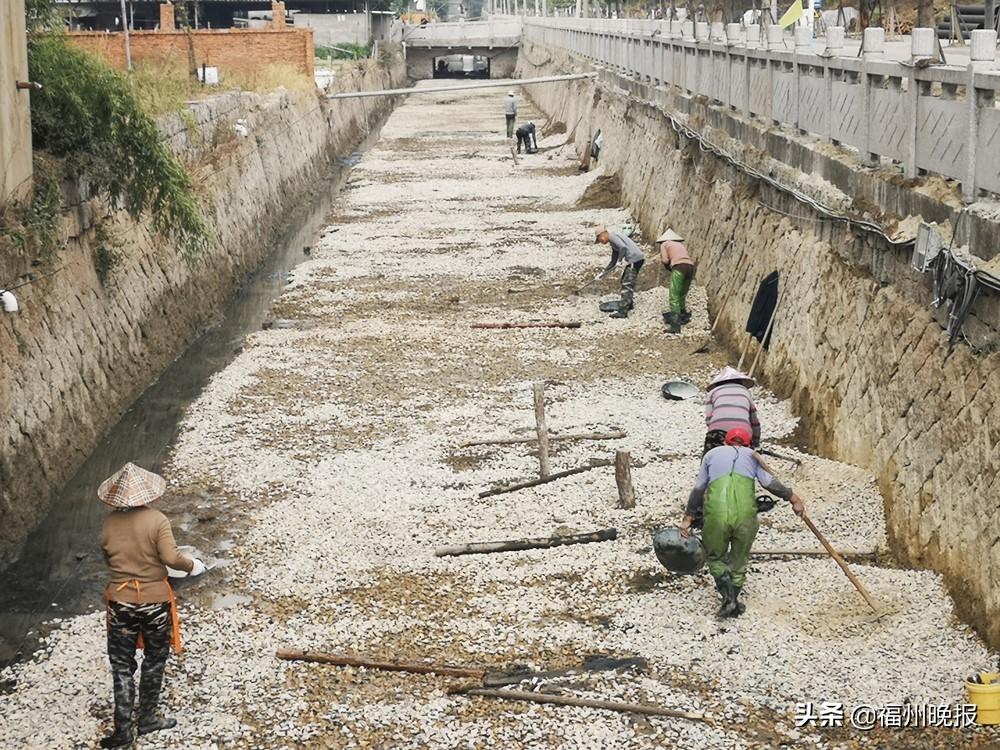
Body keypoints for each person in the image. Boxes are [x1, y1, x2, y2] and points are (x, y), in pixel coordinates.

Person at [99, 463, 206, 748]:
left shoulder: (109, 522)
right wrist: (192, 565)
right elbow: (171, 558)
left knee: (121, 664)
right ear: (147, 492)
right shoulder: (157, 520)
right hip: (154, 601)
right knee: (154, 660)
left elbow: (108, 559)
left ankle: (122, 732)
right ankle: (147, 719)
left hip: (120, 602)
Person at [678, 428, 805, 617]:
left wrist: (688, 518)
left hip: (716, 514)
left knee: (715, 557)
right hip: (746, 515)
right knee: (739, 558)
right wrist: (794, 498)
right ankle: (734, 601)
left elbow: (698, 488)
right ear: (747, 443)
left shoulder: (712, 454)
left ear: (726, 442)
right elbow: (770, 484)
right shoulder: (753, 456)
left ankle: (728, 598)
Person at [704, 366, 760, 455]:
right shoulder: (745, 391)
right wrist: (756, 444)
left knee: (710, 457)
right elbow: (755, 422)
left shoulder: (713, 392)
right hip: (743, 432)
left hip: (718, 431)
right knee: (745, 459)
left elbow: (708, 421)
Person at [594, 226, 645, 319]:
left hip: (635, 259)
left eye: (600, 239)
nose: (601, 242)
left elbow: (623, 247)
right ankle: (628, 303)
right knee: (624, 280)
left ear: (603, 234)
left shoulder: (612, 236)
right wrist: (602, 274)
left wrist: (620, 260)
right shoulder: (613, 244)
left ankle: (623, 311)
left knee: (627, 283)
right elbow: (613, 262)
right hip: (634, 260)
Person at [656, 229, 694, 334]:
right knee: (682, 293)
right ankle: (683, 315)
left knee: (674, 295)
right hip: (690, 267)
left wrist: (667, 265)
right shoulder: (679, 245)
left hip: (679, 268)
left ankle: (675, 325)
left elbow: (665, 260)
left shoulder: (664, 244)